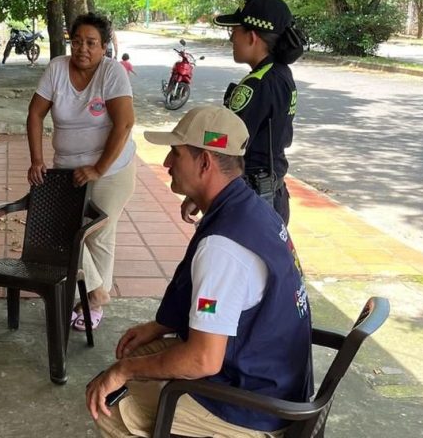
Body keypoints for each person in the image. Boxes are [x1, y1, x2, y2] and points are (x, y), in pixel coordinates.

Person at [86, 105, 312, 438]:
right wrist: (158, 327)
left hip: (255, 406)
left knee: (109, 405)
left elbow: (203, 361)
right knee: (135, 359)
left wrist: (124, 371)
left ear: (204, 162)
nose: (166, 164)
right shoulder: (252, 210)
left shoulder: (223, 248)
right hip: (273, 378)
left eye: (175, 154)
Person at [27, 12, 136, 331]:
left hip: (112, 169)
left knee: (97, 232)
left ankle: (90, 302)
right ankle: (96, 293)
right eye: (77, 41)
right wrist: (36, 159)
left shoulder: (112, 72)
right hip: (67, 168)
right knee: (65, 229)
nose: (82, 49)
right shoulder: (57, 68)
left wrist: (98, 168)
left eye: (91, 43)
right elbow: (35, 115)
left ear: (104, 47)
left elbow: (125, 123)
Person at [181, 0, 302, 225]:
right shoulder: (281, 74)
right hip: (272, 193)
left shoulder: (256, 84)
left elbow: (226, 144)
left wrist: (197, 190)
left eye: (234, 31)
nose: (231, 40)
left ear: (252, 37)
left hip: (251, 198)